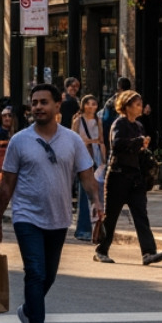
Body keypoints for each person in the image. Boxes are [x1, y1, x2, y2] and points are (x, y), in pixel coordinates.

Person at [0, 83, 102, 323]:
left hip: (59, 216)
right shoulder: (20, 141)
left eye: (43, 102)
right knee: (36, 272)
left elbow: (86, 176)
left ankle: (28, 311)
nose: (38, 107)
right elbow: (7, 186)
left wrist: (97, 202)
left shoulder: (72, 140)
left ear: (57, 105)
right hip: (27, 216)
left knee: (48, 275)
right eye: (34, 102)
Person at [95, 90, 162, 266]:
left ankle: (149, 252)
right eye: (137, 104)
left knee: (141, 215)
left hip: (135, 177)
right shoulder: (119, 124)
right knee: (111, 216)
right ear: (126, 106)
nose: (140, 107)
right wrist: (138, 142)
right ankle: (101, 250)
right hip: (118, 176)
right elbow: (117, 145)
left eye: (140, 104)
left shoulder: (139, 126)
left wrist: (146, 153)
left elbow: (138, 152)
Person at [70, 94, 105, 241]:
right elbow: (73, 139)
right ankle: (83, 229)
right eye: (88, 104)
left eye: (94, 104)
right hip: (83, 156)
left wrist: (104, 159)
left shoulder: (98, 120)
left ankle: (97, 228)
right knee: (85, 193)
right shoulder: (78, 120)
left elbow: (102, 140)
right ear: (83, 105)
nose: (91, 107)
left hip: (96, 157)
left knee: (98, 192)